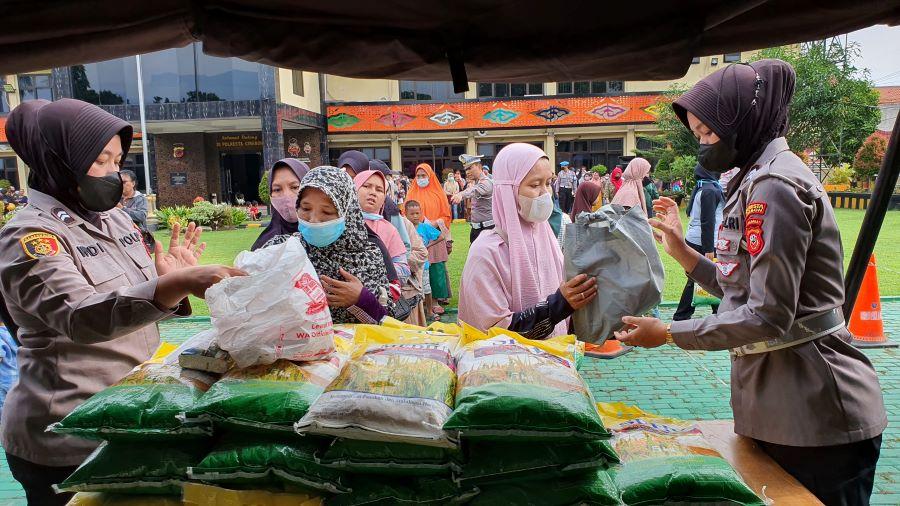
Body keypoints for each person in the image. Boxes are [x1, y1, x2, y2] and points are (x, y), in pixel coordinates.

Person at [614, 59, 886, 505]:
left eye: (707, 133)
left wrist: (668, 332)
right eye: (697, 134)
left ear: (742, 121)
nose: (702, 144)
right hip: (783, 406)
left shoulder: (774, 185)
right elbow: (744, 290)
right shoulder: (755, 177)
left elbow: (769, 314)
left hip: (814, 411)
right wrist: (684, 253)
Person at [0, 99, 245, 506]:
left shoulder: (113, 218)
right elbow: (80, 316)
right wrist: (175, 284)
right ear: (59, 161)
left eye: (117, 161)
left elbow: (134, 297)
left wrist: (169, 281)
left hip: (129, 413)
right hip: (66, 434)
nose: (115, 174)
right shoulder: (29, 237)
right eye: (100, 160)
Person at [458, 143, 597, 339]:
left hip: (556, 362)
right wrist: (559, 304)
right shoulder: (487, 252)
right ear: (509, 190)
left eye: (548, 183)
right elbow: (494, 332)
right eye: (534, 185)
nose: (545, 193)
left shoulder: (546, 238)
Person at [263, 166, 398, 324]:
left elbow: (387, 321)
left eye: (326, 212)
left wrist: (361, 298)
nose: (313, 220)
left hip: (354, 347)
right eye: (305, 208)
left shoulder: (369, 256)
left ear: (347, 213)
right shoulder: (282, 249)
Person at [673, 164, 724, 321]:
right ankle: (682, 315)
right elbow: (707, 221)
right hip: (705, 242)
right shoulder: (709, 190)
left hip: (699, 239)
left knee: (702, 278)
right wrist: (708, 248)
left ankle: (716, 311)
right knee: (705, 278)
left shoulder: (704, 187)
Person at [406, 163, 453, 310]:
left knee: (436, 269)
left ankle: (436, 301)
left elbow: (446, 215)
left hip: (434, 237)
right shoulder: (411, 193)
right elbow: (404, 213)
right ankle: (421, 300)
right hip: (417, 237)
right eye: (418, 176)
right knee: (418, 269)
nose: (420, 178)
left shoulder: (438, 193)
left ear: (430, 176)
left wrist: (433, 224)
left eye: (423, 175)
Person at [354, 169, 411, 284]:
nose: (373, 192)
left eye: (379, 190)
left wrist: (373, 271)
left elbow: (404, 270)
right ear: (353, 189)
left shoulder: (389, 230)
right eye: (366, 186)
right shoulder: (339, 224)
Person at [250, 158, 310, 251]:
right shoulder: (263, 246)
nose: (287, 196)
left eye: (295, 187)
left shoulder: (327, 237)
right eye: (277, 189)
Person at [405, 200, 442, 321]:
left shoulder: (424, 227)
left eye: (417, 213)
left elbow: (441, 236)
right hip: (408, 265)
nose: (415, 216)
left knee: (426, 288)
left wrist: (428, 245)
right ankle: (414, 313)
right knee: (412, 289)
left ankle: (430, 311)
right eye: (412, 214)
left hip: (423, 265)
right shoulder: (404, 228)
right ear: (405, 214)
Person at [452, 154, 495, 243]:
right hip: (476, 229)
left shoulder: (486, 182)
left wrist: (460, 195)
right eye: (466, 169)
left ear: (479, 166)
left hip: (488, 229)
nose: (467, 172)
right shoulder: (477, 182)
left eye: (470, 168)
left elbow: (473, 190)